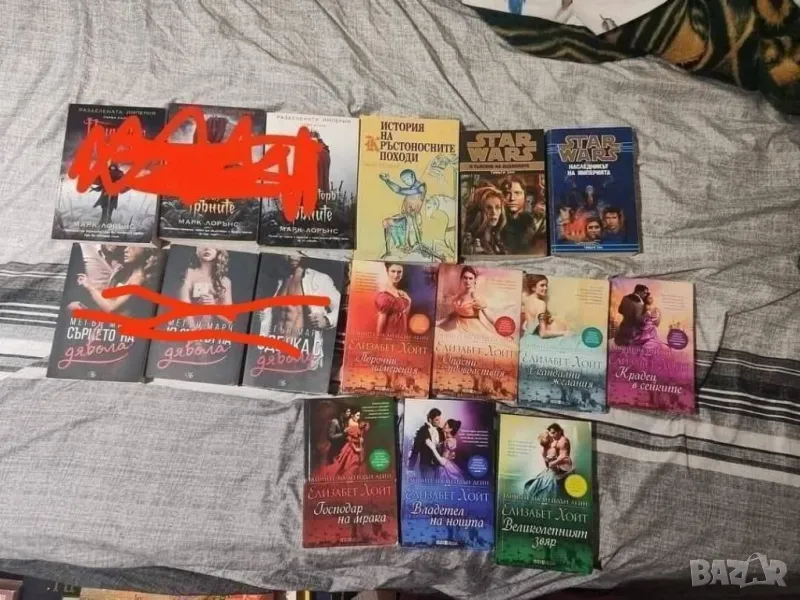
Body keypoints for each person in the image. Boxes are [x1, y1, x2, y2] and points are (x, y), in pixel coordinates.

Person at [259, 255, 341, 370]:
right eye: (289, 252)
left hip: (302, 353)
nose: (293, 256)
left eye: (298, 253)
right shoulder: (279, 280)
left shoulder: (319, 279)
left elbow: (341, 307)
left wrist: (327, 320)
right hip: (275, 352)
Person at [69, 245, 161, 317]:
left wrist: (89, 286)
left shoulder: (138, 281)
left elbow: (111, 309)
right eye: (126, 246)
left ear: (145, 250)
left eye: (132, 247)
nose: (126, 250)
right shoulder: (125, 273)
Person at [179, 247, 233, 330]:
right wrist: (193, 329)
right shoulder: (189, 273)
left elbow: (230, 319)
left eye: (212, 246)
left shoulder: (225, 281)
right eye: (203, 245)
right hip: (187, 330)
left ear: (218, 251)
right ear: (197, 252)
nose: (207, 248)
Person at [437, 266, 499, 337]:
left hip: (473, 329)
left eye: (470, 278)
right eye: (465, 278)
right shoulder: (458, 296)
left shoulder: (476, 297)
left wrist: (500, 328)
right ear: (461, 279)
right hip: (458, 326)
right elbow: (456, 312)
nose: (467, 281)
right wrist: (441, 322)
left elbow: (488, 315)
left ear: (474, 280)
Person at [380, 169, 426, 257]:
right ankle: (389, 251)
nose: (406, 182)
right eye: (404, 181)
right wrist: (387, 181)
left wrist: (387, 181)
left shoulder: (421, 187)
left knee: (411, 242)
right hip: (405, 216)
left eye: (407, 179)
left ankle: (406, 246)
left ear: (413, 176)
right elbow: (399, 189)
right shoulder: (411, 188)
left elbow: (399, 190)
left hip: (414, 218)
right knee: (386, 222)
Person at [524, 423, 573, 499]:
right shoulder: (550, 445)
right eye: (551, 433)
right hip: (553, 470)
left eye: (553, 433)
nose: (552, 435)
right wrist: (550, 461)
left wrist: (552, 463)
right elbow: (548, 464)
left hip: (561, 471)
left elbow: (564, 459)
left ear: (559, 431)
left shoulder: (562, 441)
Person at [326, 410, 370, 478]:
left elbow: (359, 435)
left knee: (355, 467)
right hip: (351, 448)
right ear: (352, 416)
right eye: (357, 415)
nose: (358, 417)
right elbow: (349, 438)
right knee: (349, 467)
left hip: (355, 447)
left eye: (359, 416)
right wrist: (356, 447)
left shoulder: (356, 423)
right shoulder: (352, 424)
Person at [463, 185, 506, 255]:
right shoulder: (469, 241)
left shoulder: (498, 239)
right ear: (478, 211)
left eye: (498, 207)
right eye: (489, 207)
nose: (494, 212)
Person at [500, 176, 535, 254]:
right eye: (507, 193)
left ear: (525, 196)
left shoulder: (533, 221)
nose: (512, 198)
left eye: (517, 193)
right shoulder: (496, 223)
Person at [375, 263, 411, 336]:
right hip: (390, 335)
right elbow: (381, 322)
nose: (396, 275)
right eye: (393, 271)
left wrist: (409, 300)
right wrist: (378, 341)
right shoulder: (384, 292)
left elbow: (405, 315)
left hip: (402, 334)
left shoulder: (400, 292)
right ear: (387, 272)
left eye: (399, 272)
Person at [408, 408, 443, 479]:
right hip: (426, 466)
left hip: (438, 466)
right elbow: (415, 450)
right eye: (437, 420)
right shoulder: (423, 431)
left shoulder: (440, 431)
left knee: (437, 485)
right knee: (428, 484)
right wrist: (410, 468)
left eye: (439, 419)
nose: (439, 422)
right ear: (430, 420)